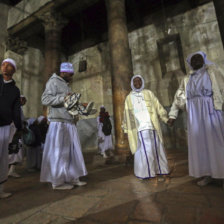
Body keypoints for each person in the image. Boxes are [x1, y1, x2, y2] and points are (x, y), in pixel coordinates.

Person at [168, 51, 224, 187]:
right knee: (200, 145)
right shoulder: (187, 78)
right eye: (193, 59)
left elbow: (222, 89)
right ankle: (207, 174)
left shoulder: (212, 72)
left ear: (204, 59)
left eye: (199, 58)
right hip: (194, 115)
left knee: (216, 143)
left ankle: (222, 175)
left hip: (211, 110)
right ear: (190, 63)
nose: (196, 60)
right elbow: (178, 98)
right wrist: (172, 115)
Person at [40, 62, 87, 190]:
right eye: (70, 74)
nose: (71, 77)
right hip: (59, 123)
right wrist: (63, 98)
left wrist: (81, 106)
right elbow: (45, 100)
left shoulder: (66, 85)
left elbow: (69, 103)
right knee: (59, 153)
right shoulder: (53, 82)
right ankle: (57, 182)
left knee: (72, 152)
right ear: (64, 72)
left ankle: (72, 177)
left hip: (69, 122)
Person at [122, 75, 169, 180]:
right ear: (132, 84)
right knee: (143, 151)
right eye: (135, 81)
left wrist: (165, 118)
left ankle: (161, 170)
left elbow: (158, 107)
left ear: (142, 82)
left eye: (139, 81)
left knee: (157, 148)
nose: (137, 83)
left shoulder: (149, 93)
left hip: (152, 126)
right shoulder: (129, 98)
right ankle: (146, 173)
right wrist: (126, 129)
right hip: (139, 129)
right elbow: (127, 115)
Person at [0, 58, 22, 198]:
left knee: (2, 158)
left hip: (5, 126)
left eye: (8, 65)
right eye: (3, 64)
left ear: (13, 70)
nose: (4, 66)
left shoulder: (15, 90)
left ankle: (0, 189)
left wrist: (19, 128)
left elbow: (16, 110)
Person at [8, 95, 27, 178]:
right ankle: (10, 171)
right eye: (24, 100)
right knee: (15, 151)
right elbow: (18, 121)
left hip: (13, 133)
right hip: (15, 133)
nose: (24, 102)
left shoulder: (18, 108)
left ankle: (11, 170)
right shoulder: (16, 108)